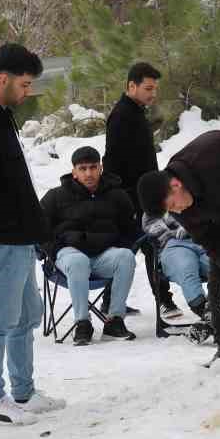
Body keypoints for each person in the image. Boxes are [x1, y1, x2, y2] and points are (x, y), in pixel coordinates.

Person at [0, 43, 65, 426]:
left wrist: (36, 227)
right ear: (2, 79)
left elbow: (17, 184)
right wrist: (20, 229)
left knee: (25, 316)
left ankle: (23, 390)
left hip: (19, 237)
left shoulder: (1, 116)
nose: (27, 92)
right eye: (23, 84)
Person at [136, 129, 220, 357]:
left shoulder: (212, 155)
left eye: (172, 205)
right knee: (219, 283)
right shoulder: (182, 208)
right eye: (170, 211)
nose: (176, 212)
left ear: (176, 185)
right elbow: (211, 242)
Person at [39, 146, 140, 345]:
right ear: (74, 171)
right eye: (82, 168)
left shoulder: (117, 196)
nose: (88, 173)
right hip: (69, 255)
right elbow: (39, 228)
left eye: (93, 167)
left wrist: (118, 245)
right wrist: (53, 251)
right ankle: (82, 323)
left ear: (100, 168)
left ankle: (114, 321)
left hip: (104, 255)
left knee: (125, 257)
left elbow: (131, 229)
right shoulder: (56, 196)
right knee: (78, 261)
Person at [104, 61, 174, 313]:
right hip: (133, 199)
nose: (153, 94)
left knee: (134, 247)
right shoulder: (122, 116)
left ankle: (112, 300)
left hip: (144, 195)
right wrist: (123, 201)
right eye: (148, 88)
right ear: (131, 86)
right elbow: (111, 162)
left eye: (155, 89)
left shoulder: (135, 112)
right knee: (148, 246)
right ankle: (163, 300)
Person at [142, 206, 213, 322]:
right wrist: (183, 229)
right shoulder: (158, 198)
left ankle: (218, 310)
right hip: (173, 244)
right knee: (186, 268)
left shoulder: (202, 193)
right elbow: (152, 224)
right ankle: (206, 314)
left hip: (205, 241)